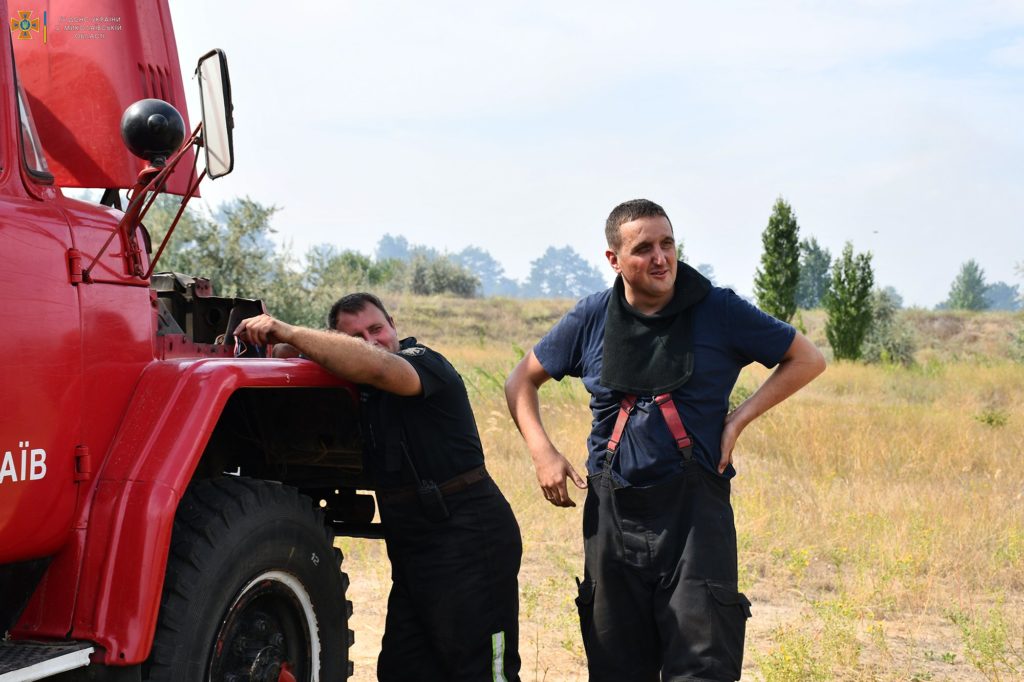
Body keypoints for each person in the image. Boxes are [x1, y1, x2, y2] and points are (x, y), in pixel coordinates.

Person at [504, 199, 825, 682]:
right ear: (613, 259)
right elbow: (520, 381)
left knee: (701, 667)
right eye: (644, 248)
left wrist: (737, 420)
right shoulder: (593, 317)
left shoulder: (717, 309)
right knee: (616, 667)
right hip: (612, 516)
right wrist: (542, 452)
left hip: (695, 517)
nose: (661, 258)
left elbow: (807, 358)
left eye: (667, 243)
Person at [236, 293, 522, 682]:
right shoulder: (355, 377)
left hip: (469, 536)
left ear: (394, 324)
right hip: (412, 547)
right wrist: (279, 343)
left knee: (480, 672)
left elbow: (379, 368)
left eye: (377, 328)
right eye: (355, 336)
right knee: (404, 670)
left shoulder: (422, 362)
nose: (371, 340)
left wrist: (287, 331)